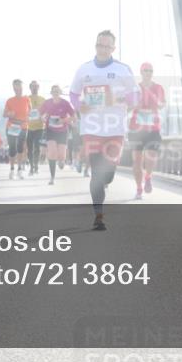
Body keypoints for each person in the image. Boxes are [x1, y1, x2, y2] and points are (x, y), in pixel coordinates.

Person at [70, 30, 137, 230]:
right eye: (100, 45)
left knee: (107, 174)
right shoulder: (84, 69)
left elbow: (134, 97)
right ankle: (98, 216)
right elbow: (73, 94)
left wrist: (117, 100)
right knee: (97, 174)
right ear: (96, 45)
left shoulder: (123, 70)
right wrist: (79, 106)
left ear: (113, 49)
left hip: (115, 129)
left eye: (107, 46)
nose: (102, 49)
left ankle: (106, 179)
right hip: (91, 129)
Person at [128, 62, 166, 199]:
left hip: (153, 127)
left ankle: (148, 177)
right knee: (137, 161)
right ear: (141, 72)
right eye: (145, 70)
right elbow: (128, 105)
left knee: (151, 157)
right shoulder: (135, 88)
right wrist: (132, 105)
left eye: (150, 70)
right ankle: (139, 189)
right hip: (136, 128)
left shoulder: (158, 88)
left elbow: (163, 103)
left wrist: (160, 104)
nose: (148, 73)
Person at [40, 84, 75, 185]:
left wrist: (63, 120)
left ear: (60, 93)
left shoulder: (65, 103)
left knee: (61, 155)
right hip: (50, 130)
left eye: (57, 91)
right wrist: (43, 118)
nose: (55, 93)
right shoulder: (47, 103)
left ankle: (62, 160)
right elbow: (41, 114)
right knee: (52, 153)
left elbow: (74, 117)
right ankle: (52, 177)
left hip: (62, 132)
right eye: (53, 91)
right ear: (51, 93)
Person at [3, 79, 30, 179]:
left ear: (22, 87)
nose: (17, 88)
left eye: (19, 86)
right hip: (11, 126)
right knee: (12, 149)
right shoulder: (10, 100)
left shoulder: (27, 99)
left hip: (23, 126)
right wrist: (9, 113)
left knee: (20, 148)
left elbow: (30, 112)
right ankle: (11, 169)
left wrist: (30, 117)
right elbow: (4, 114)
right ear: (13, 88)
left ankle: (19, 169)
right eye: (15, 86)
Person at [25, 81, 46, 175]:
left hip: (40, 127)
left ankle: (36, 165)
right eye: (33, 86)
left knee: (37, 147)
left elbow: (46, 112)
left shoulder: (42, 99)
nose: (34, 88)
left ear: (38, 87)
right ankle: (31, 166)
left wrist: (44, 117)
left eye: (36, 86)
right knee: (29, 148)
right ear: (30, 88)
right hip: (28, 127)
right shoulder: (26, 98)